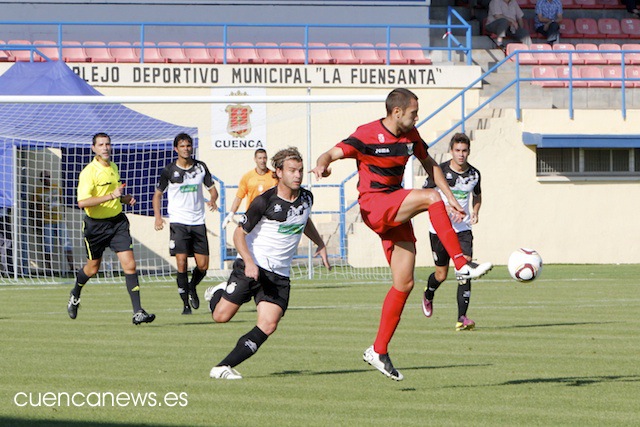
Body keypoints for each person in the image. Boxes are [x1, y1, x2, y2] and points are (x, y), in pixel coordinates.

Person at [311, 88, 492, 381]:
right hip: (375, 204)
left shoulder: (411, 136)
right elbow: (332, 152)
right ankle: (461, 263)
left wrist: (454, 200)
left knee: (404, 282)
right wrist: (322, 165)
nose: (416, 117)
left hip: (396, 207)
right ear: (397, 112)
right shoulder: (367, 134)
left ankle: (378, 350)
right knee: (431, 198)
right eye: (413, 113)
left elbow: (430, 165)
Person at [204, 146, 331, 380]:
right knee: (220, 316)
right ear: (279, 172)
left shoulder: (306, 198)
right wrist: (250, 263)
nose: (298, 175)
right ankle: (218, 291)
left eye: (300, 170)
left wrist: (320, 244)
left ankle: (222, 367)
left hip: (279, 274)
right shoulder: (264, 201)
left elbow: (304, 220)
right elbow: (238, 235)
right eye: (292, 170)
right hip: (252, 266)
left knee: (269, 324)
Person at [67, 132, 155, 325]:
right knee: (92, 268)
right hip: (95, 227)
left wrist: (124, 198)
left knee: (130, 265)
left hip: (117, 223)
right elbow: (82, 202)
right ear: (94, 148)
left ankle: (138, 312)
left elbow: (114, 194)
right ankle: (75, 293)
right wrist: (112, 196)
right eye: (101, 145)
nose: (105, 147)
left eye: (108, 144)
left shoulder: (113, 167)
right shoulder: (89, 172)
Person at [421, 133, 483, 332]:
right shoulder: (440, 172)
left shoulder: (474, 174)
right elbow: (426, 196)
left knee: (464, 271)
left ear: (468, 152)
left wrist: (475, 211)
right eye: (457, 150)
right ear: (451, 151)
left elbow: (477, 195)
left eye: (464, 151)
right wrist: (446, 208)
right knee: (441, 275)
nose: (461, 154)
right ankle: (428, 293)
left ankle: (461, 318)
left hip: (463, 230)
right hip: (439, 230)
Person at [152, 132, 219, 315]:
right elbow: (157, 194)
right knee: (181, 262)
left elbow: (212, 189)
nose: (186, 149)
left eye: (188, 145)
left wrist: (213, 199)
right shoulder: (169, 171)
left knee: (203, 266)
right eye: (182, 146)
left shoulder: (200, 167)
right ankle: (185, 305)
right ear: (176, 149)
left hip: (198, 222)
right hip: (178, 222)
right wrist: (158, 217)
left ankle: (191, 286)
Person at [221, 148, 277, 228]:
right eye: (260, 158)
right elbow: (239, 197)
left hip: (269, 216)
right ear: (255, 159)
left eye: (264, 158)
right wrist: (231, 214)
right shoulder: (248, 177)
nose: (262, 161)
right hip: (253, 215)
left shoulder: (274, 176)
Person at [34, 171, 75, 274]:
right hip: (47, 221)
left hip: (59, 219)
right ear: (41, 180)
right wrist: (38, 221)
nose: (46, 180)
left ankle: (72, 267)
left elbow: (62, 202)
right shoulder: (37, 192)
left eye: (48, 177)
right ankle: (49, 269)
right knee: (48, 245)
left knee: (66, 243)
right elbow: (36, 207)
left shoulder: (57, 188)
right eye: (44, 178)